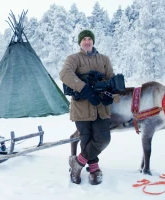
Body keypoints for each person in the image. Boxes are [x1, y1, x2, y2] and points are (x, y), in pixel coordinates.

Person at [59, 30, 114, 185]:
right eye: (84, 39)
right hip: (81, 108)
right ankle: (94, 168)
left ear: (93, 41)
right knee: (86, 138)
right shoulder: (73, 58)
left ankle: (78, 162)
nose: (87, 42)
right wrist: (84, 88)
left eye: (90, 39)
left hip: (101, 108)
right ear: (80, 43)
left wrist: (108, 91)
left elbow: (110, 78)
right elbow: (65, 74)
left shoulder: (104, 59)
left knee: (103, 139)